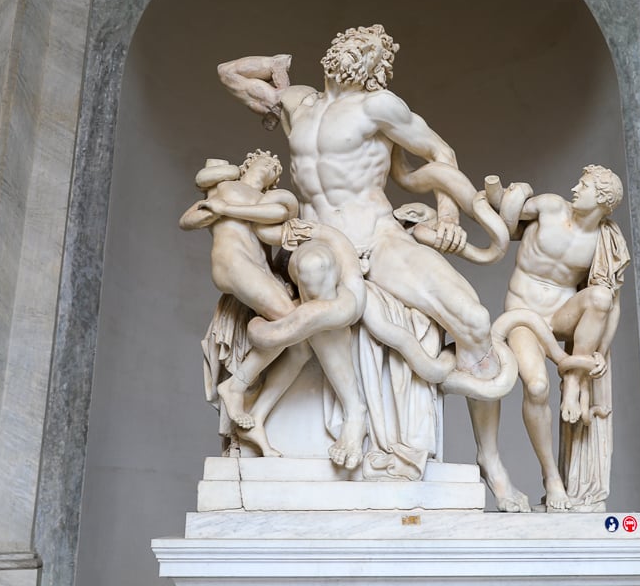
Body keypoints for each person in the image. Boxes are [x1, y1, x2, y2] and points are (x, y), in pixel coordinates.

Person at [218, 25, 528, 507]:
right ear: (331, 51)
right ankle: (354, 411)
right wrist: (275, 65)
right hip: (320, 236)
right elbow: (229, 74)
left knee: (474, 319)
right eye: (350, 43)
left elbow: (439, 153)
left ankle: (491, 458)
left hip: (378, 236)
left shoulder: (379, 107)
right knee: (316, 273)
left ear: (378, 68)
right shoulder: (297, 102)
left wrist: (447, 214)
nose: (355, 52)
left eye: (370, 50)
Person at [181, 150, 368, 467]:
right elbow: (188, 220)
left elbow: (278, 213)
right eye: (265, 163)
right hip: (233, 264)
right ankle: (235, 386)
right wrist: (213, 210)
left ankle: (258, 417)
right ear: (246, 165)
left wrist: (225, 209)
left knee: (299, 347)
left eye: (275, 169)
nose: (271, 168)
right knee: (291, 322)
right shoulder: (223, 187)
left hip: (257, 270)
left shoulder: (269, 198)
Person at [488, 165, 629, 510]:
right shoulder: (550, 206)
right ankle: (551, 476)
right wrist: (503, 188)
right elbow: (503, 212)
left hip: (561, 317)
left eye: (584, 185)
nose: (575, 188)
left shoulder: (604, 240)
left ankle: (574, 381)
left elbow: (612, 305)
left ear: (603, 199)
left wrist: (599, 354)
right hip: (523, 314)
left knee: (599, 296)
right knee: (536, 387)